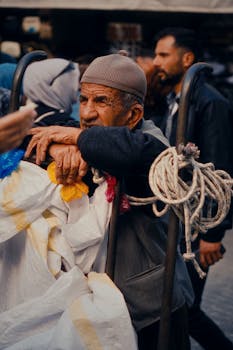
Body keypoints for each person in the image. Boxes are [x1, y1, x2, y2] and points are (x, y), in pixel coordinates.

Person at [25, 51, 194, 350]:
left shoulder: (155, 148)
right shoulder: (90, 135)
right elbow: (28, 137)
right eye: (84, 99)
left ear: (133, 115)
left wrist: (77, 140)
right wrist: (57, 148)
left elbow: (131, 152)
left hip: (151, 311)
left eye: (101, 101)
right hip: (98, 308)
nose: (87, 113)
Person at [152, 27, 233, 350]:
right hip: (175, 219)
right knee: (176, 304)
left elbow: (221, 168)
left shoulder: (210, 102)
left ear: (187, 59)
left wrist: (213, 234)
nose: (156, 62)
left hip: (197, 224)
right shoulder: (173, 98)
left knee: (185, 307)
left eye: (163, 55)